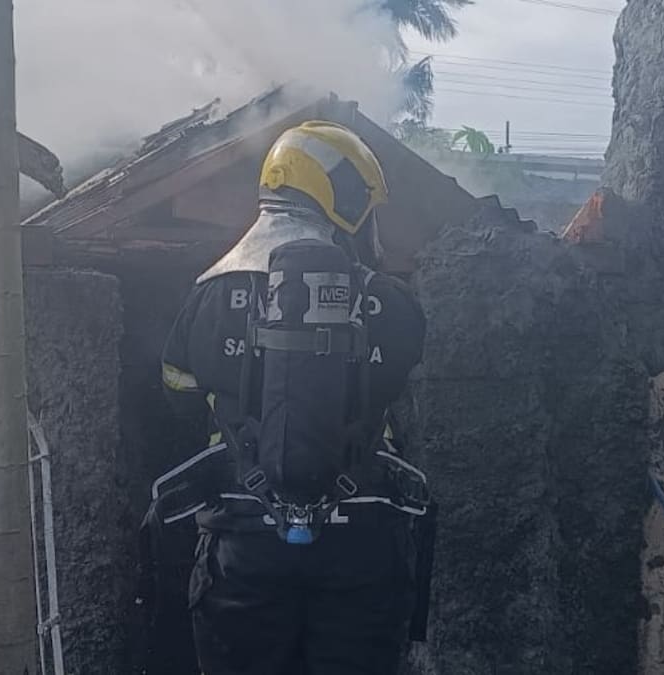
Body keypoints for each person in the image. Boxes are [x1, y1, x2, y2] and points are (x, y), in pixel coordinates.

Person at [156, 120, 431, 675]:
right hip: (363, 541)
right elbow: (404, 391)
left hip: (242, 538)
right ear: (344, 199)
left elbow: (177, 394)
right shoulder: (391, 302)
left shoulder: (210, 294)